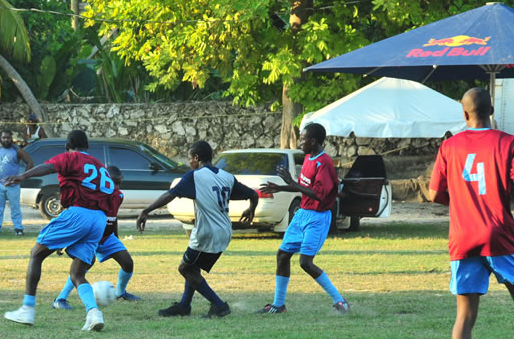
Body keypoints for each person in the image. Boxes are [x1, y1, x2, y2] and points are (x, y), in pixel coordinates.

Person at [429, 87, 514, 339]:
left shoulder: (449, 146)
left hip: (463, 237)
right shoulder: (510, 143)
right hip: (501, 234)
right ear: (492, 110)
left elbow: (434, 194)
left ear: (464, 113)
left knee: (465, 315)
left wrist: (461, 202)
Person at [2, 129, 121, 331]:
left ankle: (27, 309)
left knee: (37, 254)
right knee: (77, 273)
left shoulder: (71, 157)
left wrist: (24, 175)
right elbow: (112, 196)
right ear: (87, 147)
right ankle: (93, 313)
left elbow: (49, 167)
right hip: (99, 219)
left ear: (67, 147)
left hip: (79, 212)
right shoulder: (100, 166)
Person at [136, 140, 258, 318]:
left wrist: (146, 211)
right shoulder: (226, 177)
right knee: (194, 266)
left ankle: (219, 305)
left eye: (189, 159)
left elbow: (170, 194)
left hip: (207, 232)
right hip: (224, 231)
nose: (189, 163)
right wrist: (251, 209)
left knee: (185, 268)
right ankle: (184, 306)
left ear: (196, 158)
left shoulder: (195, 176)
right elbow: (253, 194)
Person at [257, 122, 348, 315]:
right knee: (282, 255)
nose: (300, 142)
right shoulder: (308, 157)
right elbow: (304, 187)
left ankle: (340, 301)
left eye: (303, 139)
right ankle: (278, 305)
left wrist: (291, 182)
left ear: (313, 141)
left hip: (317, 217)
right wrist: (281, 187)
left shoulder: (324, 163)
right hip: (302, 214)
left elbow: (320, 195)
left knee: (305, 263)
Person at [52, 166, 140, 309]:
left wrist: (115, 236)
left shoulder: (118, 196)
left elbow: (113, 217)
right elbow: (73, 216)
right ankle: (60, 299)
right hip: (89, 237)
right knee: (83, 267)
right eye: (114, 183)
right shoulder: (90, 196)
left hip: (107, 236)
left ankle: (119, 293)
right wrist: (62, 240)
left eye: (119, 183)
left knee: (128, 263)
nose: (116, 187)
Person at [0, 130, 33, 236]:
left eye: (8, 137)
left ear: (11, 138)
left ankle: (18, 229)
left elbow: (30, 162)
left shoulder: (17, 150)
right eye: (4, 138)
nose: (6, 140)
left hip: (13, 184)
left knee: (15, 208)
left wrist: (22, 177)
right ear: (0, 139)